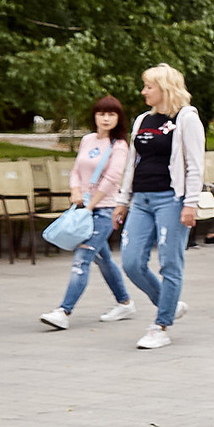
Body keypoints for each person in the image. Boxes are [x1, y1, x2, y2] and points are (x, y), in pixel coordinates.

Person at [113, 65, 204, 350]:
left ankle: (161, 325)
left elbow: (195, 165)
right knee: (131, 262)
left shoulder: (186, 118)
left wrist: (190, 204)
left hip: (171, 199)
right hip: (141, 199)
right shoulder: (143, 120)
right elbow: (132, 163)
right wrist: (123, 200)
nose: (143, 91)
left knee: (170, 263)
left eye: (149, 86)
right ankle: (170, 304)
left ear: (165, 88)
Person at [42, 96, 136, 328]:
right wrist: (75, 190)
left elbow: (112, 178)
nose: (106, 119)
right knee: (103, 259)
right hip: (83, 206)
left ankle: (64, 311)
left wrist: (91, 204)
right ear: (94, 116)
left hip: (104, 210)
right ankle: (125, 303)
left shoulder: (119, 145)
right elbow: (76, 170)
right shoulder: (87, 140)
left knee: (82, 259)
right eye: (101, 113)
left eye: (111, 114)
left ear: (119, 118)